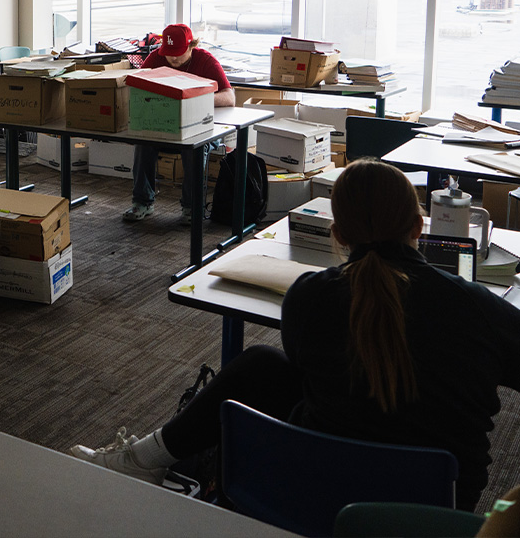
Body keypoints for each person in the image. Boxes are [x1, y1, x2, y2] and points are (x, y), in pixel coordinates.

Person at [72, 159, 520, 512]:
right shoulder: (481, 309)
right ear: (419, 228)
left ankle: (143, 461)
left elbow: (308, 368)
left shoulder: (310, 296)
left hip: (314, 488)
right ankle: (142, 462)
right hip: (433, 512)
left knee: (260, 366)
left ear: (338, 234)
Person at [122, 23, 235, 225]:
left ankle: (192, 207)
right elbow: (137, 85)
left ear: (192, 45)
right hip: (163, 125)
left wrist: (193, 99)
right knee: (143, 143)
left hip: (198, 126)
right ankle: (142, 202)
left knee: (194, 149)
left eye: (179, 52)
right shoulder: (156, 58)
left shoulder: (206, 61)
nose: (173, 58)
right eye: (169, 52)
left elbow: (229, 97)